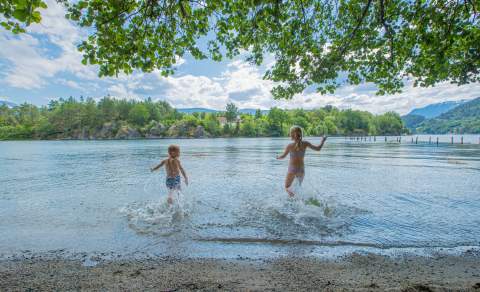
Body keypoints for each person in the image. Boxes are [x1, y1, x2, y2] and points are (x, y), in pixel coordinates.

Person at [277, 126, 327, 197]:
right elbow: (318, 148)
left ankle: (292, 200)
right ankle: (298, 200)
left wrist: (278, 157)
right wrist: (323, 141)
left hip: (292, 169)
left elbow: (283, 156)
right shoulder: (305, 143)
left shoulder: (290, 146)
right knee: (297, 189)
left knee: (287, 187)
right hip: (301, 170)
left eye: (290, 133)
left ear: (292, 134)